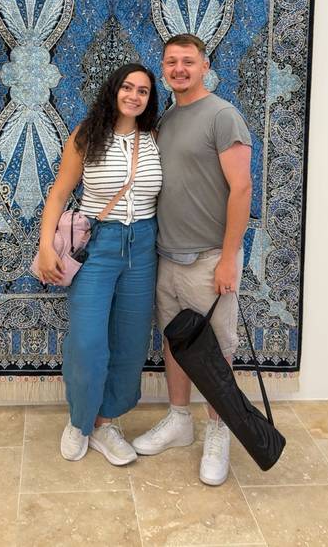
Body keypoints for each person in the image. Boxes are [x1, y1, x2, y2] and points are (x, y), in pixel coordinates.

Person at [132, 34, 252, 486]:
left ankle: (218, 432)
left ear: (204, 65)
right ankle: (179, 420)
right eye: (170, 62)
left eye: (187, 61)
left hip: (209, 258)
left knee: (217, 351)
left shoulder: (223, 115)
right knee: (176, 343)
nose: (178, 68)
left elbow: (241, 189)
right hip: (168, 256)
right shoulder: (166, 118)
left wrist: (228, 258)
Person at [37, 63, 162, 466]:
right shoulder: (87, 135)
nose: (134, 96)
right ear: (114, 90)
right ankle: (80, 421)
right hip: (99, 244)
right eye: (127, 87)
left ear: (149, 99)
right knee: (88, 340)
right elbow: (58, 194)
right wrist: (45, 247)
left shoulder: (155, 138)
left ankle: (106, 422)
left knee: (128, 342)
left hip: (143, 246)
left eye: (142, 91)